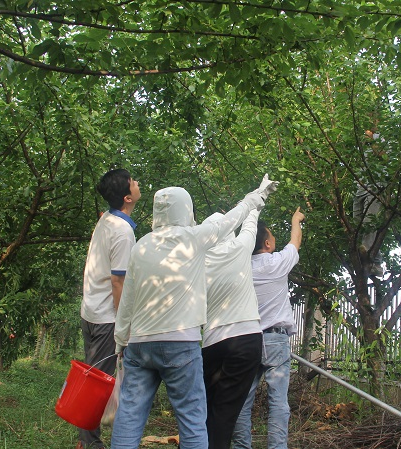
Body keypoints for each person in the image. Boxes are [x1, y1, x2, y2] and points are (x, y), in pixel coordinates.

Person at [112, 175, 278, 449]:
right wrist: (257, 196)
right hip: (179, 342)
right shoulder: (193, 239)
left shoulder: (141, 246)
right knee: (192, 419)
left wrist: (121, 340)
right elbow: (234, 218)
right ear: (186, 210)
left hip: (139, 344)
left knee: (129, 414)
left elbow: (128, 300)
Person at [78, 168, 141, 449]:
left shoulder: (106, 219)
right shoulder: (123, 232)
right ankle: (89, 442)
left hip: (91, 310)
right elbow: (119, 281)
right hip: (106, 317)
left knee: (94, 377)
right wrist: (123, 324)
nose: (137, 183)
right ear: (127, 197)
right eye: (133, 182)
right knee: (97, 382)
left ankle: (89, 439)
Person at [232, 207, 306, 449]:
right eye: (272, 235)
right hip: (275, 340)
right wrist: (296, 220)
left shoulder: (240, 268)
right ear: (267, 243)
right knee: (278, 402)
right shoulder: (277, 263)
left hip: (247, 340)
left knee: (242, 401)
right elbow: (295, 241)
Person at [201, 210, 263, 449]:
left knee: (203, 407)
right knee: (226, 412)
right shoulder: (240, 248)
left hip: (212, 342)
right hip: (245, 339)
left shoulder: (199, 262)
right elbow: (250, 224)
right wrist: (252, 204)